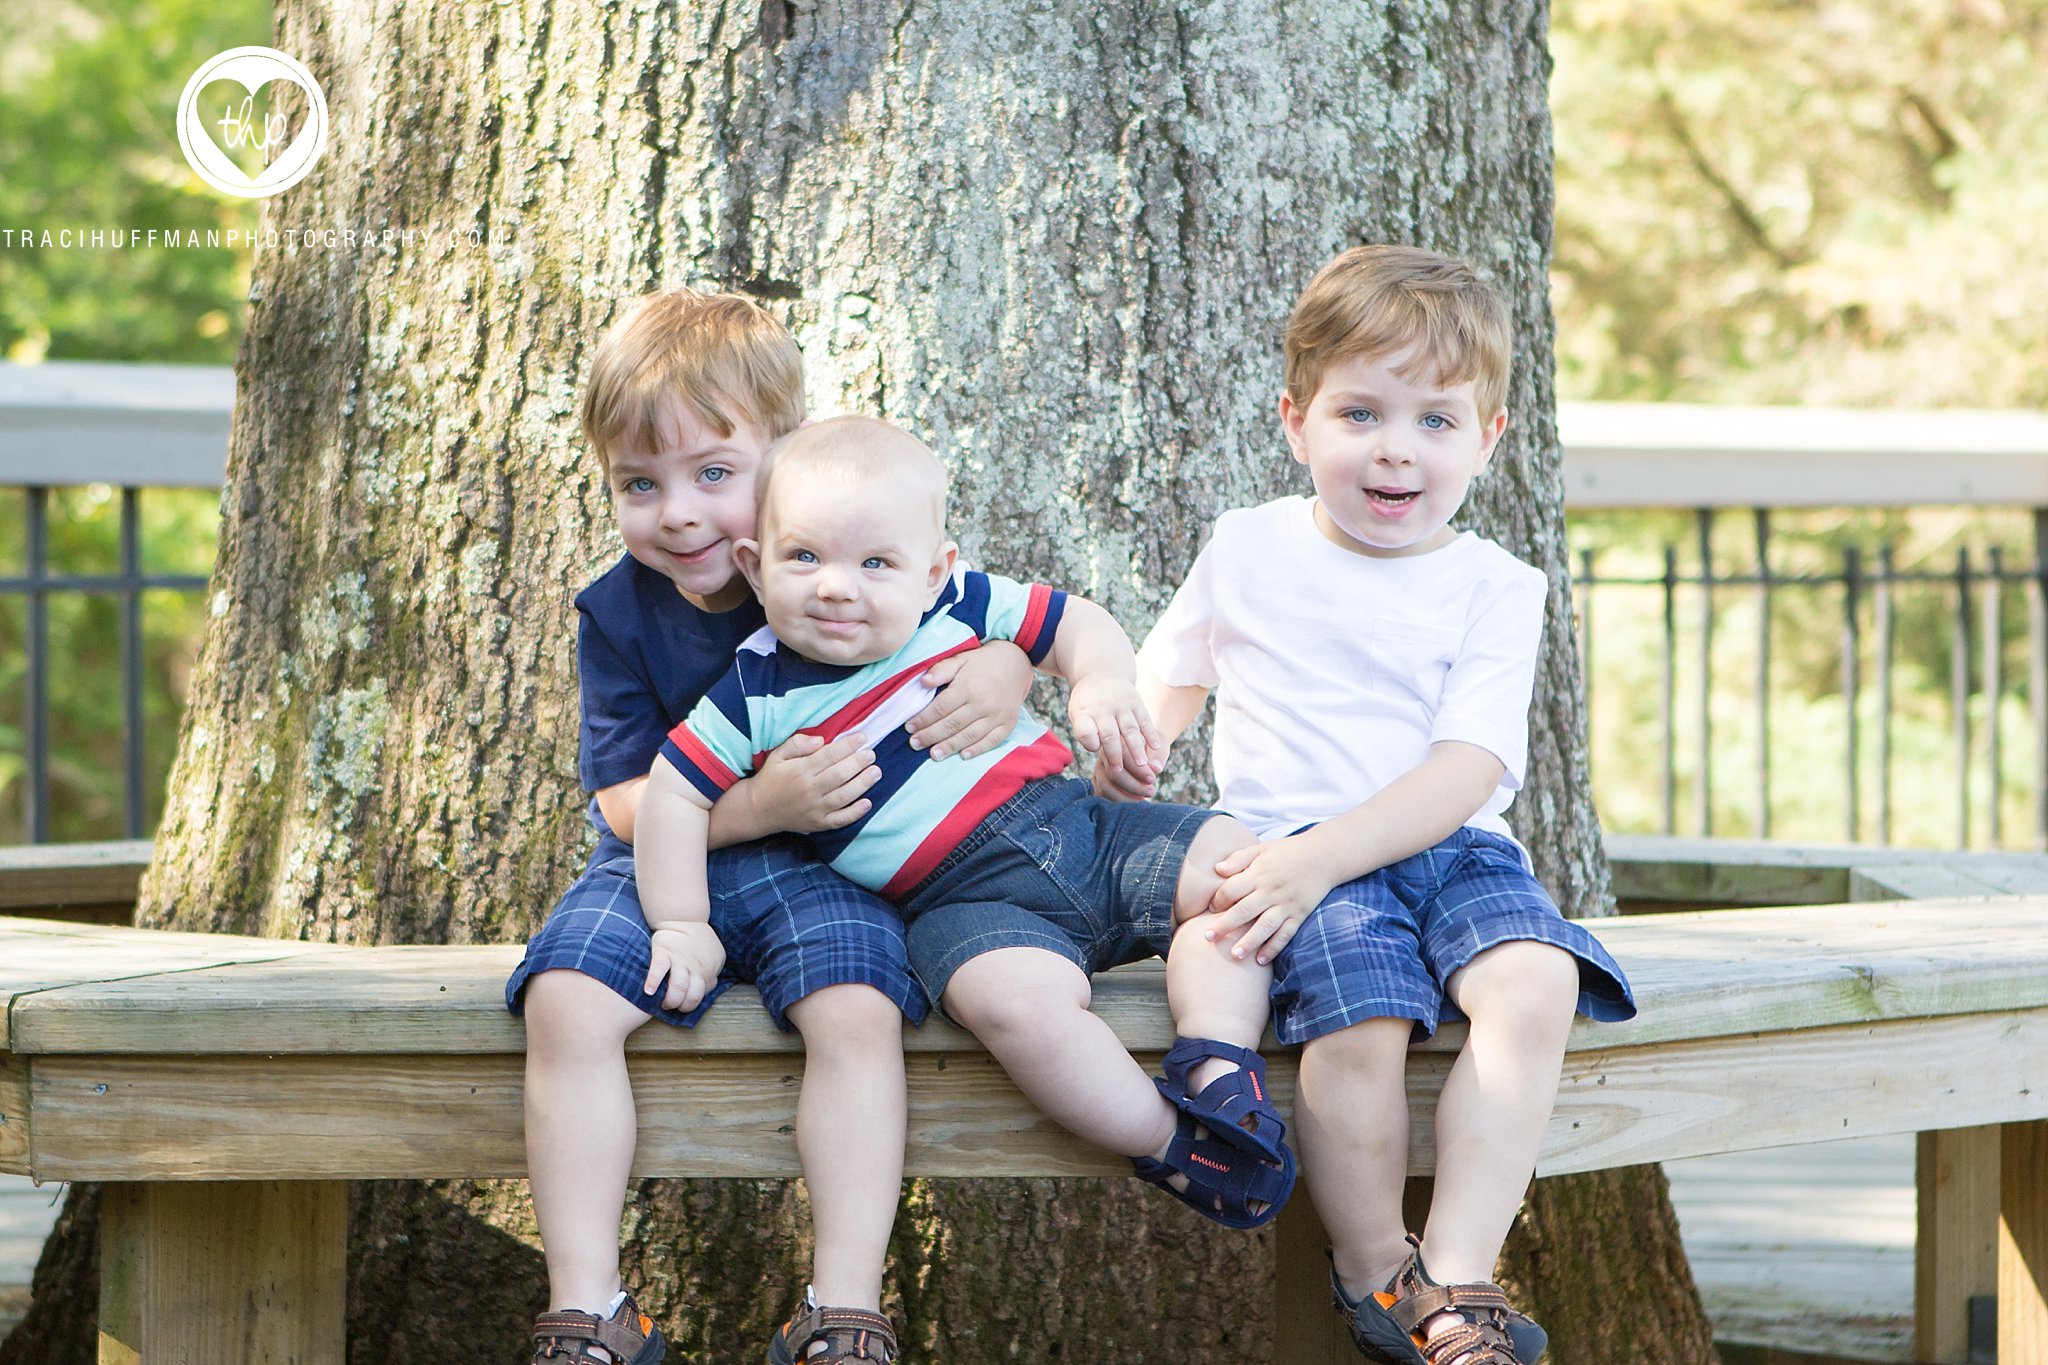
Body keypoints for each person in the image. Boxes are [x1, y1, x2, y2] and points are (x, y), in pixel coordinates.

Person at [634, 417, 1295, 1349]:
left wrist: (1101, 683)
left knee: (1240, 867)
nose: (835, 586)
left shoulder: (963, 609)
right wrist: (680, 920)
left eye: (874, 564)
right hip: (961, 904)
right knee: (1013, 1008)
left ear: (935, 570)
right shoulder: (756, 690)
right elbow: (670, 795)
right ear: (752, 561)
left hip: (1084, 829)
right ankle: (1168, 1143)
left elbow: (1073, 623)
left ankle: (1218, 1062)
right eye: (804, 556)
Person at [1115, 244, 1638, 1365]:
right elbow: (1170, 682)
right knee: (1356, 1028)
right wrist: (1134, 747)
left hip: (1448, 846)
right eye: (1359, 412)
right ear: (1295, 420)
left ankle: (1453, 1273)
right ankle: (1370, 1271)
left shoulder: (1496, 586)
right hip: (1288, 847)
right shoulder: (1246, 546)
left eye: (1434, 421)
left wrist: (1328, 858)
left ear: (1488, 439)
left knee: (1535, 977)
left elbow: (1465, 768)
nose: (1394, 447)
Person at [506, 291, 1041, 1365]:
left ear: (783, 453)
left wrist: (1005, 662)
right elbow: (622, 801)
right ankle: (590, 1307)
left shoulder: (831, 563)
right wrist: (761, 805)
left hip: (830, 867)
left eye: (713, 473)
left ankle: (842, 1306)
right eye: (638, 485)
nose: (679, 514)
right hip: (661, 865)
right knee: (564, 1001)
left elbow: (990, 622)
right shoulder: (615, 611)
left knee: (855, 1011)